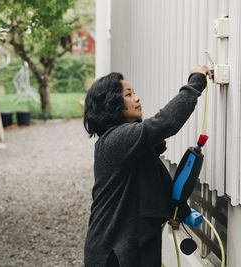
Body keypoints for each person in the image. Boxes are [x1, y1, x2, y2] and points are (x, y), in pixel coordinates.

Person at [83, 66, 212, 267]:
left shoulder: (130, 144)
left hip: (133, 243)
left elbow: (155, 178)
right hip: (112, 251)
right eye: (128, 94)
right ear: (112, 103)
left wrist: (177, 210)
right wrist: (196, 82)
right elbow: (165, 122)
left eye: (134, 93)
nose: (137, 98)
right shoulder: (116, 139)